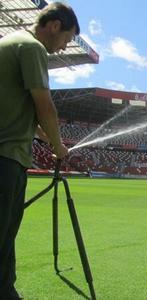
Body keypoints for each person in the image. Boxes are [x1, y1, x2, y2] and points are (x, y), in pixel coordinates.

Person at [0, 3, 80, 299]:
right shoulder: (31, 47)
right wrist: (59, 147)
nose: (63, 47)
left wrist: (47, 139)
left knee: (5, 239)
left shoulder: (12, 42)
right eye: (67, 39)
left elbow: (21, 111)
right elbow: (44, 105)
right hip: (6, 158)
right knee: (3, 237)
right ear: (55, 25)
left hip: (8, 153)